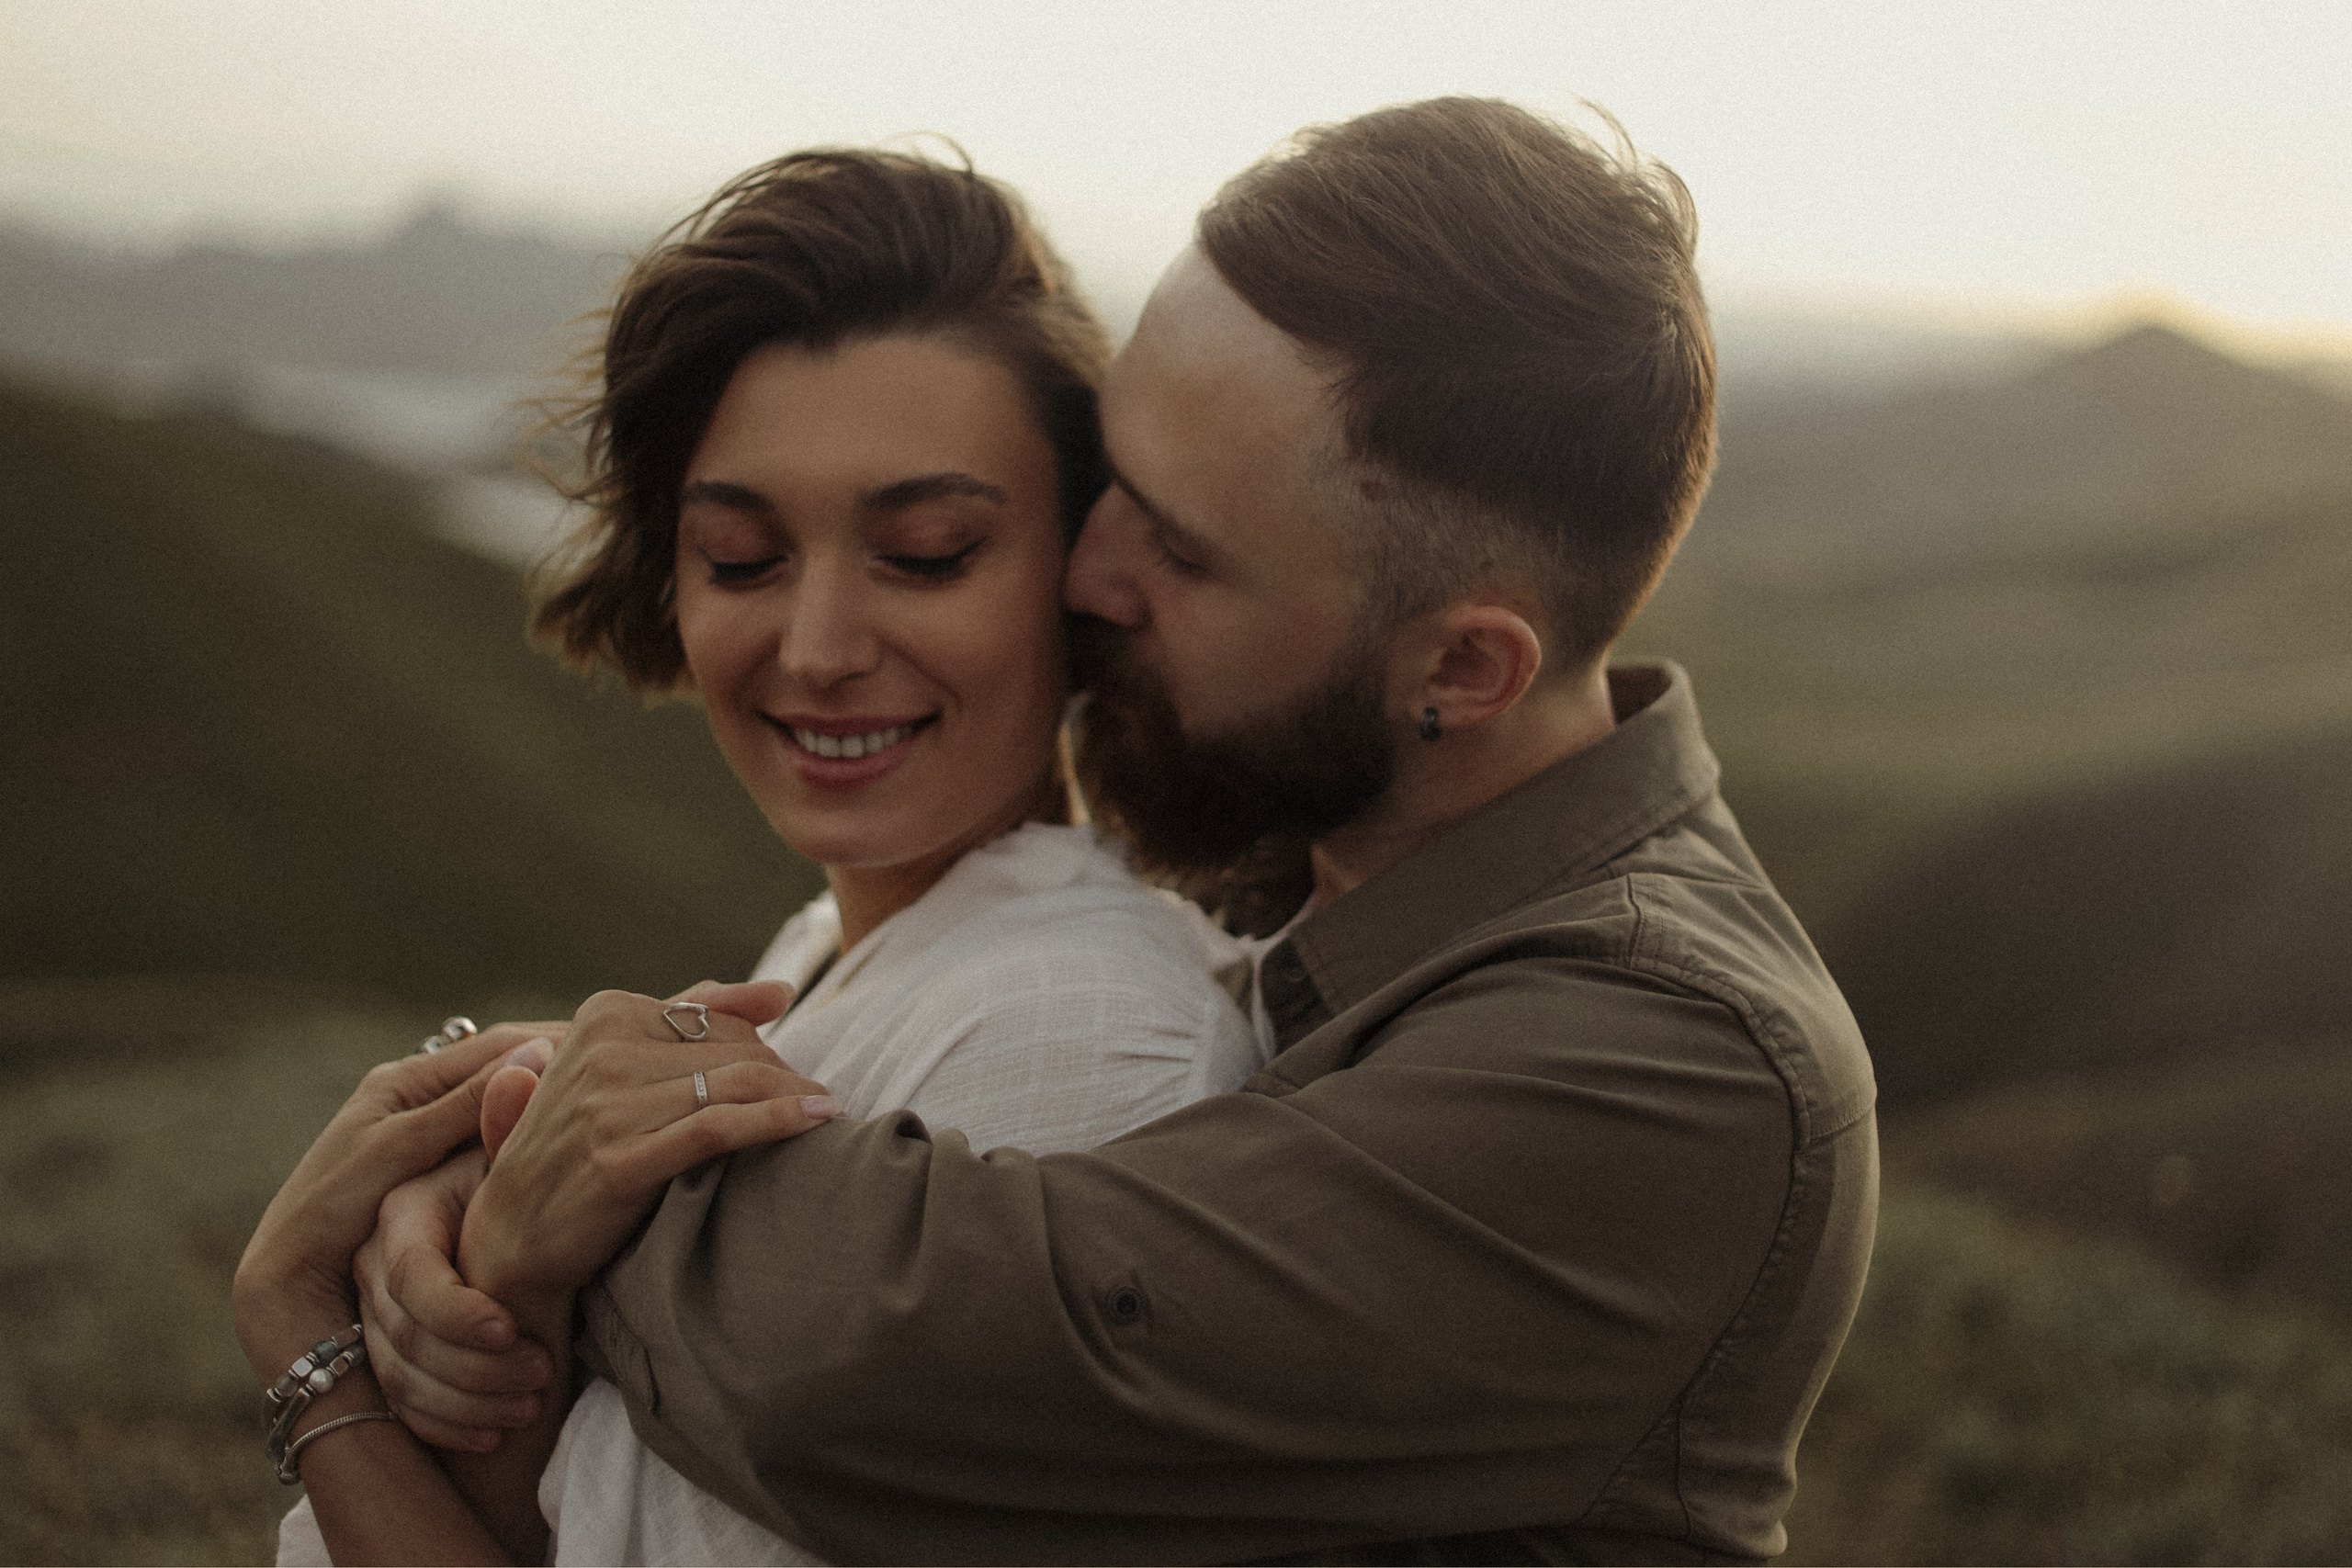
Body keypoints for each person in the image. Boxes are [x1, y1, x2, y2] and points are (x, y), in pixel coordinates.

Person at [375, 96, 1879, 1564]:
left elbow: (896, 1370)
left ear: (1458, 671)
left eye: (1178, 546)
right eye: (1111, 478)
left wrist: (542, 1163)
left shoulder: (1676, 1055)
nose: (1082, 571)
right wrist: (525, 1125)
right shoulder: (1304, 858)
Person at [233, 147, 1263, 1565]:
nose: (821, 650)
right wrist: (516, 1223)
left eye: (927, 551)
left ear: (1081, 572)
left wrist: (305, 1343)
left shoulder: (1077, 1049)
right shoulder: (839, 951)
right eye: (741, 559)